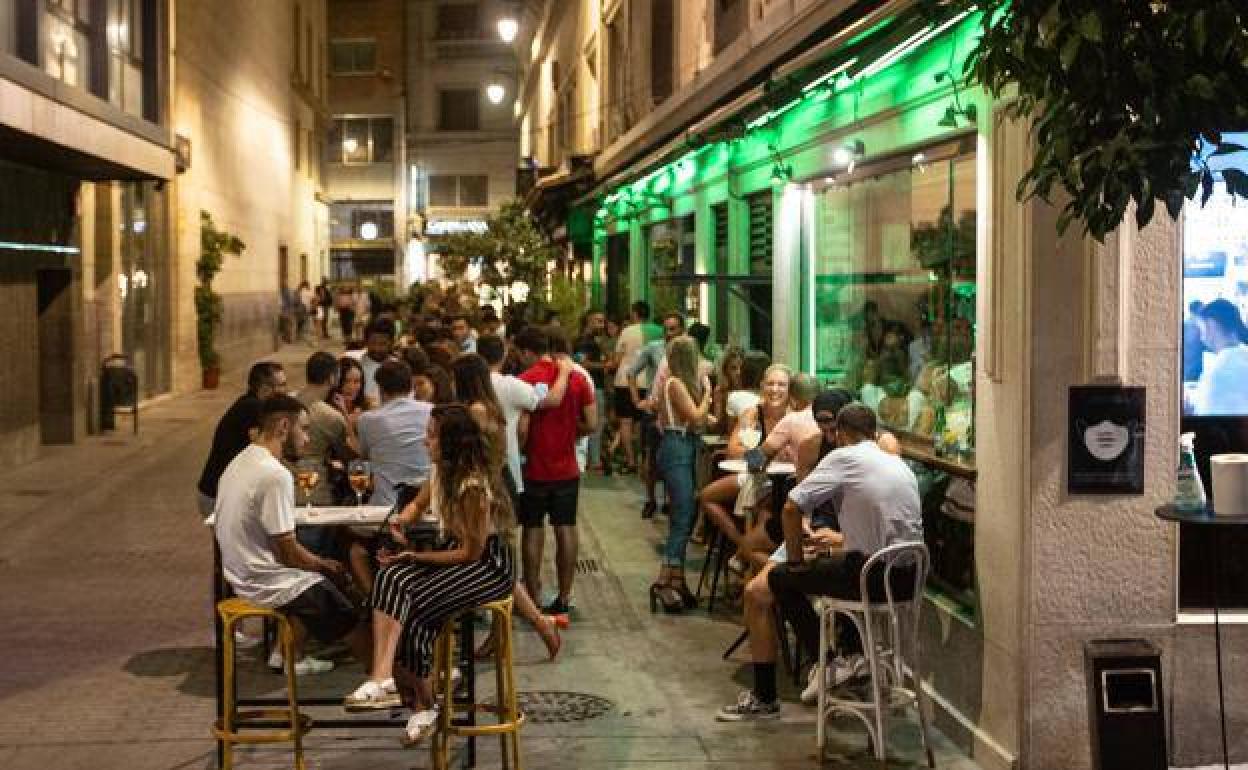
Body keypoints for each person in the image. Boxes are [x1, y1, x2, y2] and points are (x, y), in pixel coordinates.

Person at [718, 404, 922, 721]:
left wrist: (797, 560)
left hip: (868, 573)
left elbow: (789, 507)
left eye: (830, 426)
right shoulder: (895, 461)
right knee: (777, 567)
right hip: (908, 579)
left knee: (771, 584)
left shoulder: (829, 448)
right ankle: (847, 658)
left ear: (840, 432)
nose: (825, 431)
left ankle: (823, 666)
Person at [344, 405, 515, 746]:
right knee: (392, 579)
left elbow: (471, 553)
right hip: (459, 555)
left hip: (488, 566)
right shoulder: (441, 472)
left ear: (450, 442)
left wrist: (417, 555)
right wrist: (401, 523)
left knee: (407, 593)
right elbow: (417, 505)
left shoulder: (472, 486)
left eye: (432, 435)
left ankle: (420, 698)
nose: (425, 441)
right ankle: (390, 683)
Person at [214, 395, 372, 676]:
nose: (308, 439)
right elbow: (288, 552)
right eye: (305, 429)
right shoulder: (274, 474)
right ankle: (385, 677)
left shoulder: (241, 460)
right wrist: (323, 565)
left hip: (240, 574)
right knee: (347, 606)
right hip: (265, 581)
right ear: (284, 427)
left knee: (330, 580)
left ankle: (289, 654)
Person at [450, 353, 563, 660]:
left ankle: (540, 625)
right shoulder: (490, 407)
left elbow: (474, 457)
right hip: (501, 486)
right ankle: (514, 633)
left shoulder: (475, 410)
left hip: (493, 492)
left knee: (497, 568)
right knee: (497, 567)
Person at [515, 326, 597, 616]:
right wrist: (570, 432)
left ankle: (533, 597)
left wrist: (523, 448)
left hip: (534, 468)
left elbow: (522, 427)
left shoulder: (525, 380)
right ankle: (564, 595)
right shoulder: (577, 379)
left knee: (532, 528)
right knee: (566, 528)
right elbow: (593, 422)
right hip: (567, 467)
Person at [698, 364, 792, 557]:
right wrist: (762, 454)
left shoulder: (794, 417)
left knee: (765, 508)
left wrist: (760, 453)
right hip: (754, 474)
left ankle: (746, 556)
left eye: (781, 385)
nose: (775, 389)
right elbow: (732, 450)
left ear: (790, 389)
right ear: (762, 386)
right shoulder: (753, 413)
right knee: (706, 496)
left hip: (783, 482)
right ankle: (743, 546)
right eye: (770, 384)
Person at [650, 336, 712, 613]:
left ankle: (675, 578)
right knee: (684, 513)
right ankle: (666, 579)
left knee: (684, 515)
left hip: (679, 446)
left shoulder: (678, 384)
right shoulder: (675, 383)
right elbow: (697, 416)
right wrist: (709, 393)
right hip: (677, 447)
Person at [198, 361, 288, 518]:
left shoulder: (252, 404)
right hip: (217, 494)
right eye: (281, 385)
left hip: (221, 491)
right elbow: (261, 449)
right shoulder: (252, 408)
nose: (285, 391)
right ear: (265, 387)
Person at [628, 311, 685, 518]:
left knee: (672, 459)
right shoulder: (654, 348)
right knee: (651, 458)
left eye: (673, 329)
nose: (669, 333)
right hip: (654, 410)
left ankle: (670, 501)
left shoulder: (686, 350)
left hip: (678, 411)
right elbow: (631, 372)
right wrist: (637, 401)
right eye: (666, 329)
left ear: (681, 330)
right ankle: (650, 499)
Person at [356, 360, 433, 508]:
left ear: (380, 389)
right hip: (427, 505)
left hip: (386, 509)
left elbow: (364, 458)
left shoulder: (368, 419)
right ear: (411, 386)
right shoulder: (432, 411)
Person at [298, 352, 357, 509]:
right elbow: (350, 458)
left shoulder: (288, 402)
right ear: (332, 378)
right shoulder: (330, 416)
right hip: (314, 491)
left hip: (285, 490)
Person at [609, 301, 658, 474]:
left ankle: (631, 461)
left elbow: (616, 360)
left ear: (634, 313)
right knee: (642, 423)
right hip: (649, 382)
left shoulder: (627, 331)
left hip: (624, 381)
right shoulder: (659, 331)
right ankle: (644, 459)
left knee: (625, 422)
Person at [1191, 298, 1248, 415]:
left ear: (1211, 325)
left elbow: (1205, 418)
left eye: (1201, 329)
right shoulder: (1243, 353)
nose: (1202, 338)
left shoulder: (1218, 371)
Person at [575, 310, 609, 474]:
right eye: (598, 321)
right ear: (588, 321)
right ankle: (594, 461)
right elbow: (583, 363)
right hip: (594, 386)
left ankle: (592, 459)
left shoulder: (591, 341)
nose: (602, 325)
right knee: (596, 422)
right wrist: (605, 366)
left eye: (603, 321)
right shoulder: (585, 342)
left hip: (592, 385)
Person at [360, 319, 396, 403]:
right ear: (366, 341)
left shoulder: (400, 369)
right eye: (373, 342)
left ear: (391, 343)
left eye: (382, 344)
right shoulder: (356, 367)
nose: (377, 348)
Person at [1183, 300, 1207, 383]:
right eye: (1203, 309)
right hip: (1191, 364)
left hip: (1192, 362)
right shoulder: (1195, 324)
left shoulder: (1186, 323)